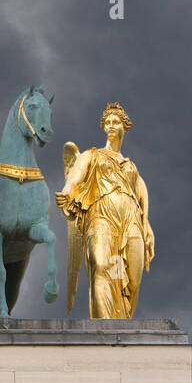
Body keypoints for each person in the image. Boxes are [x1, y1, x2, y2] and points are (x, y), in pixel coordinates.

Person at [57, 102, 155, 318]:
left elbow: (140, 190)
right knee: (100, 267)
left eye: (116, 122)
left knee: (132, 280)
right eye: (107, 122)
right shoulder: (92, 155)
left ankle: (122, 326)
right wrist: (66, 191)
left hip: (131, 220)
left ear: (125, 127)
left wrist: (146, 224)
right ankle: (105, 332)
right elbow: (74, 177)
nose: (111, 125)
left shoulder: (131, 165)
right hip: (101, 216)